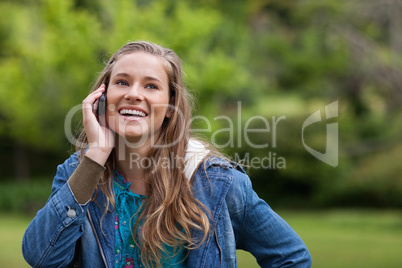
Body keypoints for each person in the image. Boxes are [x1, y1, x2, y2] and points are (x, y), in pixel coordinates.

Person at [22, 41, 312, 268]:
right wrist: (97, 154)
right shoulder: (79, 173)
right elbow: (42, 257)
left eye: (151, 85)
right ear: (101, 97)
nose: (134, 94)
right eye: (122, 82)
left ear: (171, 104)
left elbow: (292, 258)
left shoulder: (216, 182)